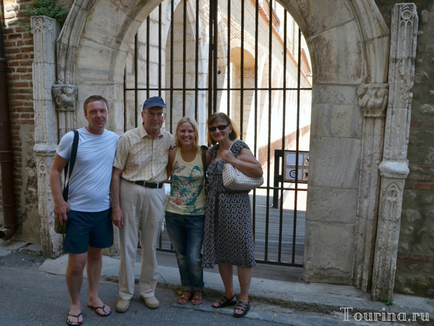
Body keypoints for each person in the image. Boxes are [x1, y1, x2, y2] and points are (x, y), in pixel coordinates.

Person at [50, 95, 119, 326]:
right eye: (93, 111)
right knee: (77, 262)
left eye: (102, 111)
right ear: (86, 114)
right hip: (77, 211)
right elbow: (55, 171)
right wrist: (59, 201)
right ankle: (75, 303)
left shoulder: (114, 139)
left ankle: (93, 297)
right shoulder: (73, 138)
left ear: (108, 113)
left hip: (102, 211)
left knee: (97, 255)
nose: (99, 115)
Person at [111, 96, 174, 313]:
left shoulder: (169, 139)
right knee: (128, 245)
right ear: (142, 115)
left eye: (159, 114)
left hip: (156, 192)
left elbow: (170, 168)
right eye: (151, 113)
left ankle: (148, 291)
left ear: (164, 116)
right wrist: (116, 206)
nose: (155, 118)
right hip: (130, 190)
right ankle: (125, 293)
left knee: (150, 247)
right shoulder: (127, 139)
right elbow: (116, 174)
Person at [202, 112, 263, 318]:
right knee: (222, 251)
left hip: (236, 205)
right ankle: (229, 294)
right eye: (213, 128)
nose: (217, 131)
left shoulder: (238, 147)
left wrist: (233, 160)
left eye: (221, 126)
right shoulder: (211, 151)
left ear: (229, 128)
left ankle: (244, 298)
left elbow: (257, 170)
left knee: (242, 251)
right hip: (215, 205)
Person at [165, 117, 211, 305]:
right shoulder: (173, 153)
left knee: (193, 257)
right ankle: (187, 288)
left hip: (197, 215)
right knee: (181, 256)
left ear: (195, 133)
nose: (186, 135)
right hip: (173, 213)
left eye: (190, 131)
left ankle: (198, 289)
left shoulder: (204, 154)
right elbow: (165, 174)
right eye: (182, 131)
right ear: (177, 133)